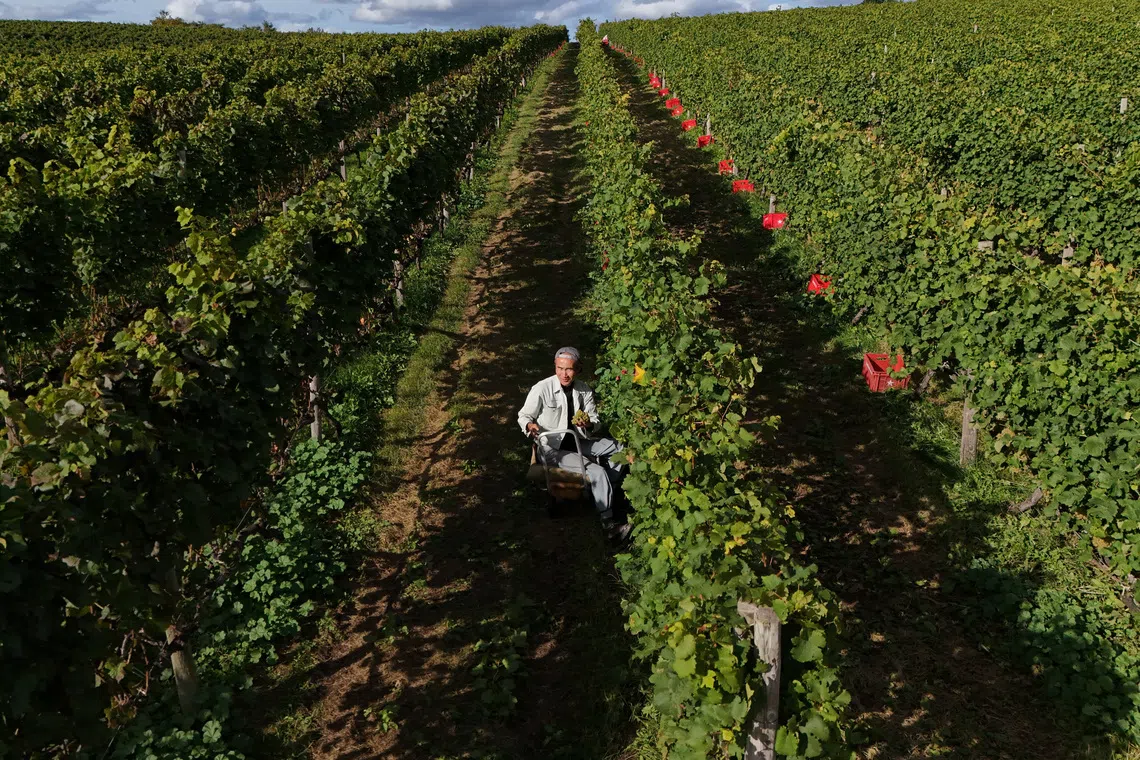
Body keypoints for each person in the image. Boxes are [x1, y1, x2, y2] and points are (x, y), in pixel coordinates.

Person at [517, 347, 631, 542]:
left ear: (578, 369)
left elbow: (595, 420)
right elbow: (524, 415)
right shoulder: (542, 388)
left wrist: (587, 424)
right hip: (554, 448)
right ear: (555, 366)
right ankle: (609, 523)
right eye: (560, 368)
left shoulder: (584, 390)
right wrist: (530, 425)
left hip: (578, 440)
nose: (564, 374)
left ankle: (607, 489)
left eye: (569, 369)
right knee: (596, 472)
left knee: (619, 447)